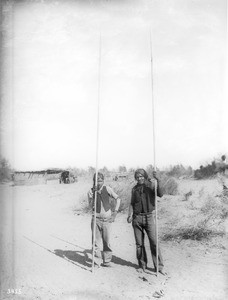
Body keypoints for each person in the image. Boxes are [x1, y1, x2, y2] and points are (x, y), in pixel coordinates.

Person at [127, 168, 165, 274]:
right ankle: (142, 265)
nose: (139, 178)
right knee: (139, 244)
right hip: (137, 218)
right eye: (137, 177)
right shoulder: (134, 189)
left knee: (154, 242)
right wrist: (129, 215)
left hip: (149, 218)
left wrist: (158, 180)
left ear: (145, 176)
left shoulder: (151, 185)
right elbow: (131, 203)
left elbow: (161, 194)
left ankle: (159, 267)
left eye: (141, 176)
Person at [88, 172, 121, 267]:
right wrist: (91, 197)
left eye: (100, 181)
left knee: (106, 241)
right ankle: (97, 262)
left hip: (107, 220)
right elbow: (90, 206)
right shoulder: (91, 191)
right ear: (93, 181)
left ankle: (106, 261)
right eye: (96, 181)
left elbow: (118, 199)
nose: (98, 183)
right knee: (96, 242)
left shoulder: (108, 189)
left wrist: (115, 212)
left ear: (103, 181)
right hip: (96, 219)